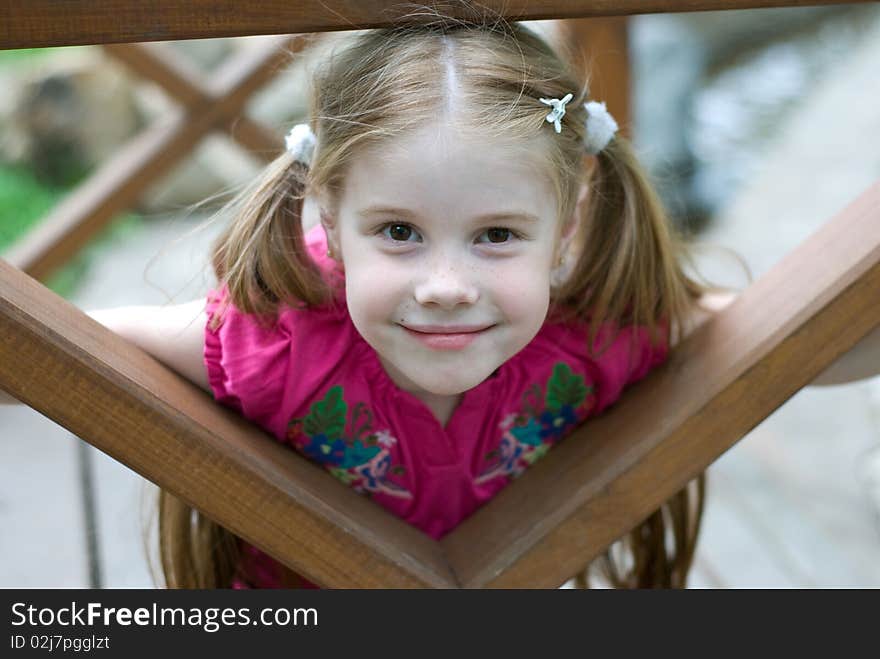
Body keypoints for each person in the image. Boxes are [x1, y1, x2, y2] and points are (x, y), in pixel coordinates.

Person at [2, 12, 876, 588]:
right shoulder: (278, 343)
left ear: (567, 223)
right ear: (329, 214)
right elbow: (50, 354)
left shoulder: (597, 333)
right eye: (399, 232)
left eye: (497, 235)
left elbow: (819, 347)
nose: (447, 286)